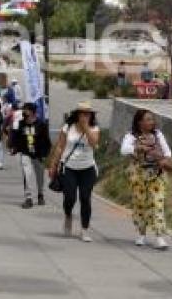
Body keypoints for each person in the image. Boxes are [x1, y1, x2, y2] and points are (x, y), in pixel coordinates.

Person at [48, 101, 101, 242]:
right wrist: (53, 165)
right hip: (69, 167)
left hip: (87, 168)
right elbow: (60, 146)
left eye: (88, 113)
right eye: (82, 113)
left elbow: (94, 143)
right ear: (77, 114)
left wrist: (86, 128)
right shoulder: (68, 127)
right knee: (70, 197)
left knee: (85, 198)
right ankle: (68, 215)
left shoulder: (94, 128)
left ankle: (84, 229)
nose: (85, 116)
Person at [121, 109, 172, 250]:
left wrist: (164, 160)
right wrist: (139, 147)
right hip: (138, 175)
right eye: (148, 119)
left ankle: (159, 237)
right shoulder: (131, 136)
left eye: (152, 119)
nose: (151, 122)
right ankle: (141, 233)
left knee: (157, 203)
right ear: (140, 122)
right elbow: (124, 150)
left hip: (156, 174)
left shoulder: (158, 134)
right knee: (140, 204)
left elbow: (167, 152)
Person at [13, 102, 51, 209]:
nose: (25, 112)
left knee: (39, 176)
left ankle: (40, 194)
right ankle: (28, 198)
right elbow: (17, 138)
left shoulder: (41, 124)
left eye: (27, 110)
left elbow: (46, 140)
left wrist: (45, 154)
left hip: (38, 154)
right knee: (27, 174)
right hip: (26, 153)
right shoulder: (21, 123)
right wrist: (15, 148)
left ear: (33, 112)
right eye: (24, 110)